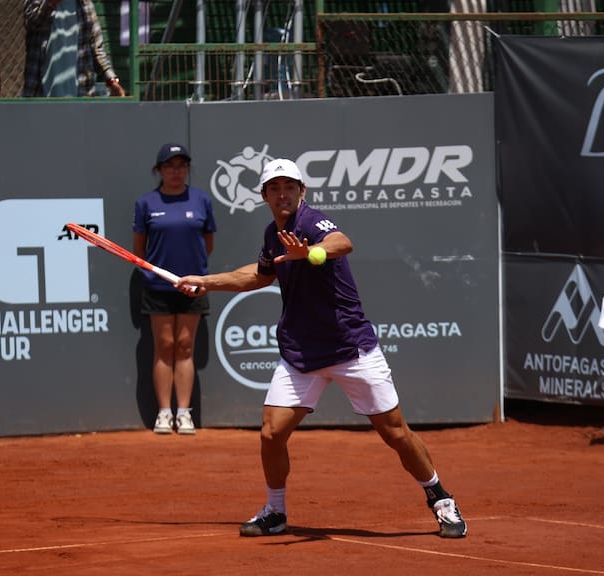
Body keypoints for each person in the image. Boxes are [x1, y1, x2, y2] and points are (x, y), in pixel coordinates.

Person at [176, 158, 467, 538]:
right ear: (264, 196)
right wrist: (206, 281)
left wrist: (311, 253)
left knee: (395, 433)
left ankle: (440, 498)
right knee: (271, 433)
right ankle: (275, 511)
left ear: (302, 192)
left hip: (350, 349)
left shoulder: (311, 222)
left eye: (289, 187)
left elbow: (342, 243)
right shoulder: (272, 234)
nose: (283, 194)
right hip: (301, 355)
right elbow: (260, 274)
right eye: (275, 188)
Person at [133, 143, 216, 435]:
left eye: (181, 166)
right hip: (158, 286)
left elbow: (207, 245)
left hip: (193, 286)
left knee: (185, 346)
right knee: (164, 346)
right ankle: (164, 413)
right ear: (159, 170)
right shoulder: (146, 204)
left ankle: (184, 413)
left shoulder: (201, 200)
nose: (176, 171)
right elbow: (139, 250)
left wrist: (194, 277)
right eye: (169, 166)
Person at [23, 0, 126, 97]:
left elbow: (97, 49)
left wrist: (112, 81)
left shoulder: (85, 6)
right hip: (42, 98)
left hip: (80, 98)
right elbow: (32, 21)